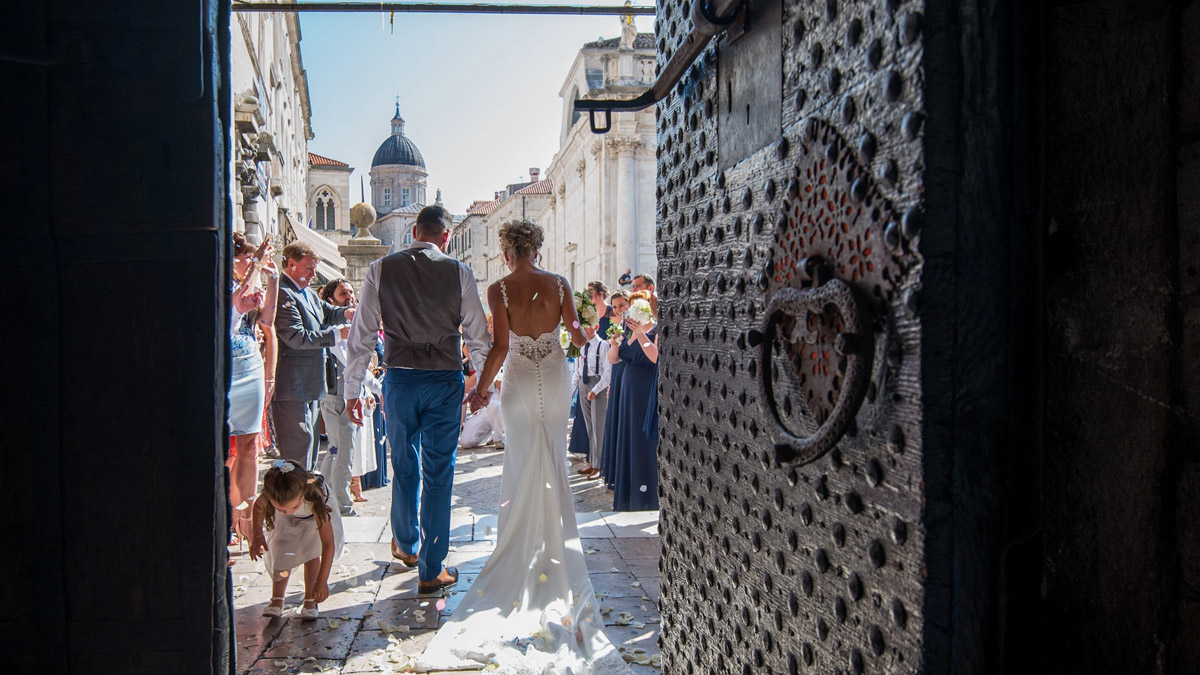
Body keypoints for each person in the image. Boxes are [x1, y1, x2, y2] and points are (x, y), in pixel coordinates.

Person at [403, 220, 630, 672]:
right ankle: (552, 542)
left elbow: (502, 346)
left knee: (523, 457)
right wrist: (587, 327)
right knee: (552, 456)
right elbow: (579, 338)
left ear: (507, 251)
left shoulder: (500, 289)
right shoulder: (560, 283)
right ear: (537, 247)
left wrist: (482, 388)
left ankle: (522, 544)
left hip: (521, 381)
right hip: (554, 373)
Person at [343, 205, 491, 590]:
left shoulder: (381, 269)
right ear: (446, 235)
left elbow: (360, 336)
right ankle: (432, 567)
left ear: (414, 231)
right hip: (443, 381)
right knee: (439, 473)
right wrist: (483, 386)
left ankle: (406, 544)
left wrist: (351, 390)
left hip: (400, 380)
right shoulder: (459, 271)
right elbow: (478, 337)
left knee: (403, 465)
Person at [273, 242, 355, 471]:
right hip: (293, 386)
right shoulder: (283, 292)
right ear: (291, 264)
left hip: (310, 385)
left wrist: (347, 313)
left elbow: (327, 312)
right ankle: (294, 505)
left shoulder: (306, 292)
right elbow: (296, 337)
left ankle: (305, 503)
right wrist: (338, 333)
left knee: (308, 452)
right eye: (309, 268)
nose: (313, 274)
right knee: (297, 455)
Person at [228, 233, 279, 546]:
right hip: (225, 369)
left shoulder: (253, 283)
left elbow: (268, 320)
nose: (251, 264)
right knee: (225, 454)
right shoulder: (224, 284)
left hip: (249, 367)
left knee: (248, 448)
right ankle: (225, 517)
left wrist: (271, 278)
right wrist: (257, 264)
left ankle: (246, 519)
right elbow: (235, 304)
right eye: (246, 258)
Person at [249, 459, 344, 620]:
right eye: (280, 508)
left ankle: (310, 599)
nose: (286, 511)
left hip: (313, 518)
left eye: (292, 506)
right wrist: (257, 536)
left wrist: (322, 580)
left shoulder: (315, 499)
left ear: (302, 494)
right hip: (294, 517)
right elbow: (258, 508)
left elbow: (328, 544)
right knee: (281, 549)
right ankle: (277, 598)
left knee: (311, 551)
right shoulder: (278, 495)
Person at [318, 279, 381, 517]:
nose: (350, 297)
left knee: (336, 451)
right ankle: (342, 505)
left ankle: (323, 495)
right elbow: (351, 366)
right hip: (338, 398)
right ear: (331, 301)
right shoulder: (333, 330)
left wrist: (369, 392)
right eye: (343, 293)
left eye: (352, 292)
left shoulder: (351, 326)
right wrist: (377, 388)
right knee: (343, 452)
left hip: (345, 396)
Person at [608, 293, 660, 511]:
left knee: (642, 439)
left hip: (644, 392)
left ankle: (647, 496)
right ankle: (630, 493)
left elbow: (655, 356)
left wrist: (640, 334)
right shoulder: (627, 331)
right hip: (627, 395)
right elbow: (614, 359)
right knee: (628, 437)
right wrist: (614, 344)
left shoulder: (655, 330)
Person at [572, 321, 612, 479]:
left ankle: (599, 466)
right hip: (584, 383)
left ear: (596, 327)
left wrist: (595, 390)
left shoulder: (603, 346)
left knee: (598, 427)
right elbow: (577, 371)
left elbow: (607, 373)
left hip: (597, 385)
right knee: (589, 426)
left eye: (588, 326)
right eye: (583, 326)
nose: (585, 330)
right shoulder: (579, 346)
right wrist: (571, 392)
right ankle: (592, 462)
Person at [599, 290, 631, 488]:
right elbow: (612, 359)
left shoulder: (635, 326)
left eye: (622, 305)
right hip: (618, 376)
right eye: (616, 306)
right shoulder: (617, 328)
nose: (619, 310)